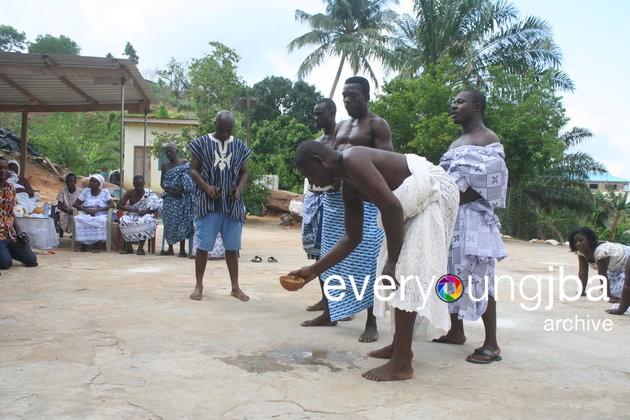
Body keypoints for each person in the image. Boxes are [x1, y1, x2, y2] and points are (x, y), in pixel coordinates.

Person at [290, 141, 459, 381]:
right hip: (407, 205)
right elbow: (352, 237)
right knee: (397, 270)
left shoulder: (353, 159)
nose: (312, 183)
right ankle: (400, 347)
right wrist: (314, 270)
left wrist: (393, 261)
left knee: (403, 272)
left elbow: (392, 207)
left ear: (320, 162)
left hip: (434, 191)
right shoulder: (347, 187)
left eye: (309, 174)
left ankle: (402, 363)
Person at [301, 76, 392, 344]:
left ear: (366, 96)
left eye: (353, 95)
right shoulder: (340, 127)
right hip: (334, 199)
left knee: (367, 262)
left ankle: (371, 321)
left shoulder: (378, 125)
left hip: (365, 198)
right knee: (331, 257)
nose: (347, 100)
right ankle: (330, 312)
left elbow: (384, 163)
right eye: (344, 96)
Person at [433, 89, 508, 365]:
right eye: (453, 101)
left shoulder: (488, 138)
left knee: (480, 279)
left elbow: (490, 184)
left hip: (474, 220)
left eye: (460, 101)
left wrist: (454, 195)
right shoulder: (455, 144)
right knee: (450, 276)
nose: (454, 105)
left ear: (477, 107)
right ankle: (456, 330)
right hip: (451, 219)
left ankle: (492, 344)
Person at [188, 110, 251, 302]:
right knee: (203, 246)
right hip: (208, 204)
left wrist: (239, 189)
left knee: (232, 248)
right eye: (221, 130)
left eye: (228, 131)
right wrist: (206, 187)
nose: (224, 135)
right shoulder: (201, 143)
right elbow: (193, 169)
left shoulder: (239, 146)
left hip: (231, 205)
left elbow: (244, 173)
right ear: (215, 123)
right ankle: (199, 285)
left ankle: (235, 287)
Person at [302, 98, 336, 313]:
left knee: (337, 253)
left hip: (335, 201)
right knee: (320, 254)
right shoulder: (317, 142)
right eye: (314, 114)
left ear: (332, 113)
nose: (316, 118)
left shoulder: (341, 140)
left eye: (320, 113)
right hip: (316, 200)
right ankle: (326, 299)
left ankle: (342, 303)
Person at [568, 226, 630, 315]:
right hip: (614, 269)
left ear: (590, 240)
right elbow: (583, 271)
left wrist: (608, 296)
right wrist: (581, 291)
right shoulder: (581, 252)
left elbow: (602, 275)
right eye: (575, 242)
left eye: (581, 240)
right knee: (618, 291)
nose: (578, 244)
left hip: (625, 261)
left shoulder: (601, 251)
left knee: (624, 291)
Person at [0, 157, 38, 272]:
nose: (2, 171)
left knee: (31, 260)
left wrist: (18, 231)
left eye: (5, 168)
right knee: (6, 263)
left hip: (10, 234)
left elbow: (11, 211)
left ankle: (6, 250)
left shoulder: (11, 188)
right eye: (0, 168)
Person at [160, 142, 195, 257]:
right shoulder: (165, 166)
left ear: (176, 152)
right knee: (169, 223)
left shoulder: (184, 164)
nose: (169, 154)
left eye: (171, 151)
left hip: (181, 198)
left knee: (181, 223)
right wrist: (170, 191)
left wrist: (179, 191)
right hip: (169, 199)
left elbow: (188, 180)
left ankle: (181, 250)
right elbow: (162, 183)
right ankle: (170, 248)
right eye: (167, 152)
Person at [117, 175, 161, 255]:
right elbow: (119, 205)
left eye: (140, 185)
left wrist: (146, 212)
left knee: (147, 221)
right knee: (123, 221)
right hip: (132, 214)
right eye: (137, 185)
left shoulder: (149, 193)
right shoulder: (130, 193)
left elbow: (156, 207)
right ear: (133, 184)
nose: (139, 187)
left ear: (144, 183)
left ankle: (140, 248)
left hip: (145, 214)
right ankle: (128, 246)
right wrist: (133, 210)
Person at [73, 174, 116, 253]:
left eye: (94, 182)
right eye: (91, 181)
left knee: (99, 221)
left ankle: (97, 244)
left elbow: (112, 205)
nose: (91, 183)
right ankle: (84, 245)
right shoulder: (86, 191)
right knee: (79, 219)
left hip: (100, 213)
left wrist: (97, 210)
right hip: (87, 213)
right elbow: (75, 204)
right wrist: (86, 210)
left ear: (99, 184)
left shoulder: (105, 192)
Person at [54, 173, 82, 238]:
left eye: (71, 181)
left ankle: (75, 235)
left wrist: (74, 210)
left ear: (75, 182)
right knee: (57, 213)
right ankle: (52, 234)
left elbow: (82, 205)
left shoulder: (80, 191)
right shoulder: (62, 191)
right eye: (68, 181)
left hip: (76, 211)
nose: (69, 183)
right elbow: (59, 205)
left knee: (81, 215)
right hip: (65, 211)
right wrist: (66, 210)